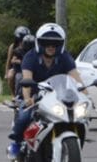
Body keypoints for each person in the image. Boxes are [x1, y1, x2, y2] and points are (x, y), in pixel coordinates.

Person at [7, 23, 84, 160]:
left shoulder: (65, 58)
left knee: (78, 118)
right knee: (24, 116)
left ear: (60, 45)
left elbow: (76, 78)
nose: (50, 47)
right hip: (34, 96)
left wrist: (85, 95)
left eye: (54, 44)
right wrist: (27, 98)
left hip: (58, 97)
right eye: (46, 43)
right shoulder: (30, 57)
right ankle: (16, 145)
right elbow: (27, 79)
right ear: (40, 43)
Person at [4, 26, 30, 99]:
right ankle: (13, 94)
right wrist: (6, 72)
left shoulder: (30, 45)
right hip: (16, 67)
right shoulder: (13, 47)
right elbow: (9, 60)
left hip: (27, 66)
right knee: (10, 76)